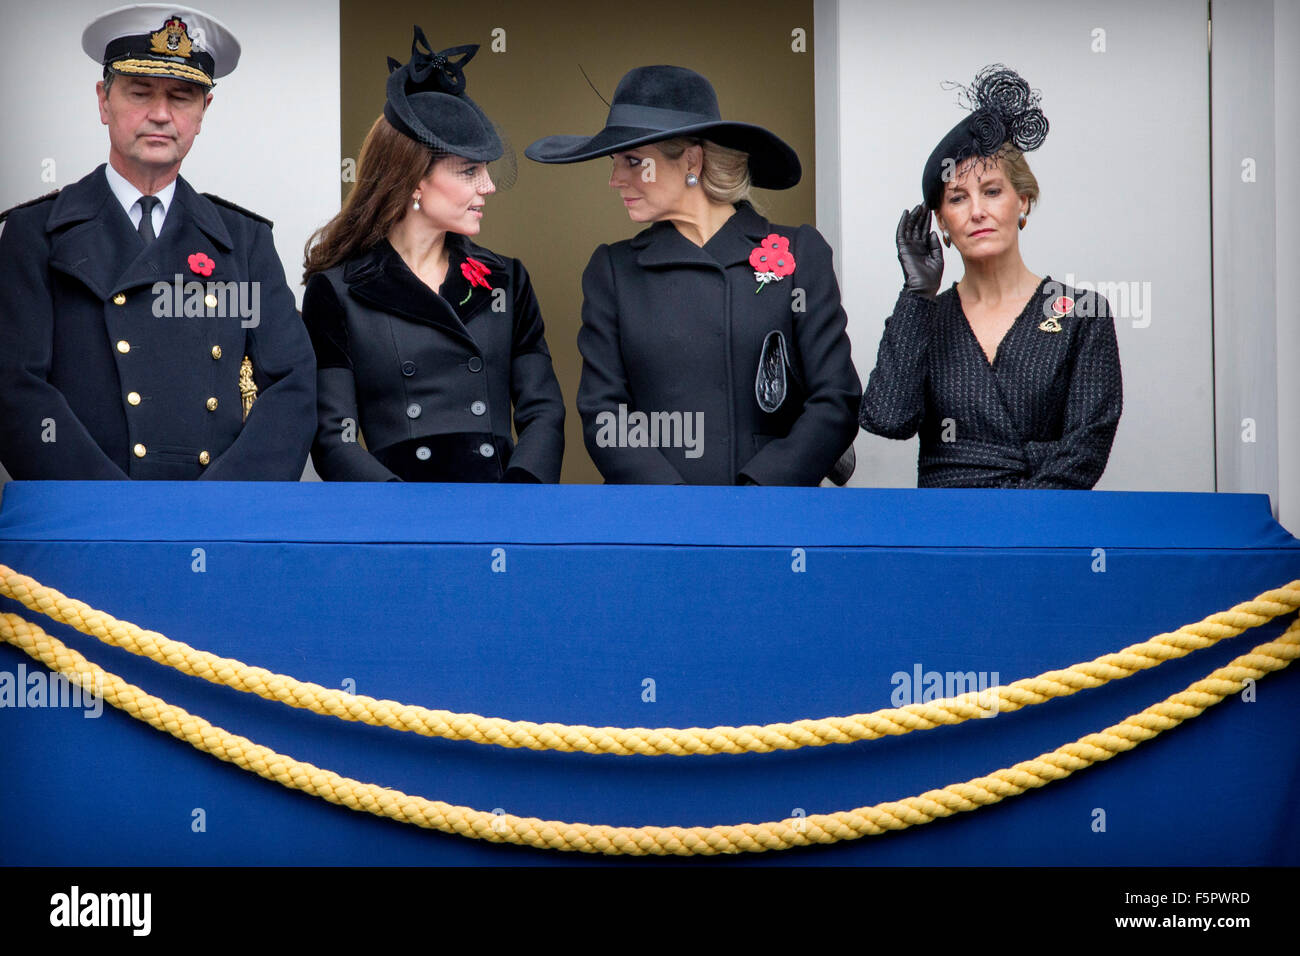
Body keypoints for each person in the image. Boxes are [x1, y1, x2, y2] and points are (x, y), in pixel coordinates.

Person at [0, 4, 315, 480]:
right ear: (104, 101)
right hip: (85, 520)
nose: (161, 114)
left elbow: (292, 388)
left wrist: (220, 507)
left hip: (213, 522)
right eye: (141, 92)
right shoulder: (36, 233)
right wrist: (116, 509)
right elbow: (15, 388)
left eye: (183, 97)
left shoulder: (243, 242)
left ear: (204, 112)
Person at [525, 66, 860, 486]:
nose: (615, 180)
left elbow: (836, 400)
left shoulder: (799, 254)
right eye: (616, 163)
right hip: (657, 525)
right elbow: (603, 413)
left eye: (632, 161)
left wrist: (759, 494)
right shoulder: (613, 270)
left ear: (691, 160)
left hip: (772, 522)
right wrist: (677, 510)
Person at [302, 29, 563, 482]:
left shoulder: (507, 280)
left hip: (500, 510)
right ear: (414, 181)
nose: (489, 187)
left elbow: (544, 412)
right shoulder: (337, 292)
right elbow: (332, 437)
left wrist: (520, 497)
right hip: (399, 521)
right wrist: (400, 512)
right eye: (469, 172)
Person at [858, 65, 1122, 489]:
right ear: (941, 223)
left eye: (993, 191)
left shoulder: (1082, 314)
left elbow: (1085, 451)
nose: (977, 211)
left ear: (1024, 202)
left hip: (1044, 529)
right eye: (958, 198)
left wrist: (1016, 524)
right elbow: (888, 418)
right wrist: (916, 296)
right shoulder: (926, 316)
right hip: (946, 530)